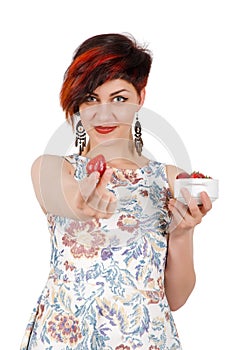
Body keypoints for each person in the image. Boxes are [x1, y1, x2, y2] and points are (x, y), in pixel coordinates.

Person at [20, 33, 212, 350]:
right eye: (91, 99)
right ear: (77, 102)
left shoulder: (170, 180)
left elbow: (175, 299)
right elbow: (65, 199)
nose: (104, 114)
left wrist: (182, 232)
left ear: (141, 97)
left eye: (119, 98)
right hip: (64, 339)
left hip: (146, 341)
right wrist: (84, 202)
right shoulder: (53, 168)